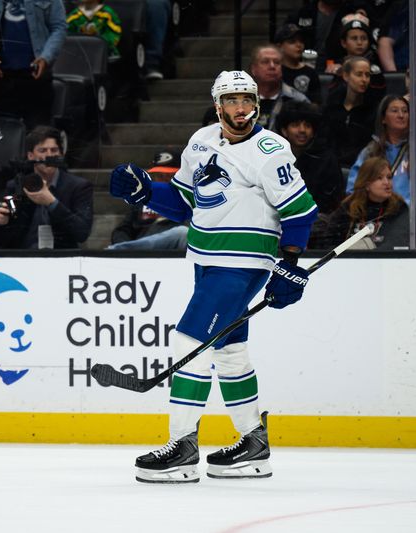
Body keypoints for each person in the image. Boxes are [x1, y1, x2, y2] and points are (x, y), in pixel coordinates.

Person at [109, 70, 318, 483]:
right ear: (218, 104)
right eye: (232, 100)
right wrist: (145, 191)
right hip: (206, 259)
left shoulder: (270, 149)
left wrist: (290, 265)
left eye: (247, 100)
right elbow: (186, 203)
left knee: (191, 340)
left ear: (256, 104)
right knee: (228, 351)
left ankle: (183, 448)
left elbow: (301, 210)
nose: (241, 108)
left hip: (243, 263)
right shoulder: (202, 140)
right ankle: (252, 443)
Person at [0, 126, 93, 249]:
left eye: (54, 150)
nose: (49, 156)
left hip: (63, 260)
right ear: (31, 155)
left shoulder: (79, 187)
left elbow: (82, 233)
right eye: (43, 151)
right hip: (22, 259)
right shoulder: (16, 186)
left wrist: (52, 203)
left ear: (61, 154)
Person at [0, 0, 67, 128]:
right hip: (0, 77)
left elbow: (59, 27)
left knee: (37, 137)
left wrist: (46, 57)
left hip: (36, 77)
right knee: (3, 137)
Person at [347, 95, 416, 206]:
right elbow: (355, 187)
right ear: (383, 118)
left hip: (413, 215)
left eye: (405, 111)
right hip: (377, 215)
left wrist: (401, 212)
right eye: (394, 111)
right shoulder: (371, 151)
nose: (401, 115)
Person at [310, 156, 409, 250]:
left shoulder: (399, 208)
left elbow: (399, 242)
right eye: (379, 178)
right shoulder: (348, 207)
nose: (387, 182)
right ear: (366, 184)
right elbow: (330, 244)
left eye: (389, 177)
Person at [108, 149, 186, 250]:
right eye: (160, 175)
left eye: (170, 176)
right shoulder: (143, 197)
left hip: (172, 249)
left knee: (182, 232)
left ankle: (126, 249)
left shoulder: (189, 197)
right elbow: (122, 230)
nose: (164, 179)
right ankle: (127, 250)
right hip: (141, 251)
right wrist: (125, 245)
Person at [278, 100, 344, 214]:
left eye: (307, 126)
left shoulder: (327, 160)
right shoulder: (272, 158)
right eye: (295, 125)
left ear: (313, 132)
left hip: (316, 220)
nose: (302, 130)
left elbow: (331, 201)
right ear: (284, 131)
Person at [322, 55, 386, 167]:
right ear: (346, 76)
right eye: (359, 74)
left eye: (367, 75)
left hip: (363, 167)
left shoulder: (374, 109)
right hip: (332, 166)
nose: (364, 80)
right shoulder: (332, 107)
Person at [285, 0, 360, 72]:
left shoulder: (351, 15)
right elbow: (285, 41)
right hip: (303, 65)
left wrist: (344, 64)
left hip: (339, 69)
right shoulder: (302, 13)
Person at [249, 45, 309, 132]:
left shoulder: (299, 100)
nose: (272, 66)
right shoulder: (240, 101)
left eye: (277, 62)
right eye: (265, 62)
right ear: (253, 69)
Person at [274, 23, 322, 104]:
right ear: (279, 46)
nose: (299, 45)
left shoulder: (310, 72)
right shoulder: (274, 71)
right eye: (292, 42)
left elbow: (316, 104)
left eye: (301, 41)